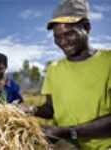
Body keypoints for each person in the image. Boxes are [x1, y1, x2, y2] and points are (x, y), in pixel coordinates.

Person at [20, 0, 111, 149]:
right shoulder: (54, 69)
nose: (63, 42)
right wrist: (31, 109)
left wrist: (68, 132)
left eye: (69, 34)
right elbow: (50, 108)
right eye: (57, 36)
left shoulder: (108, 62)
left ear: (86, 27)